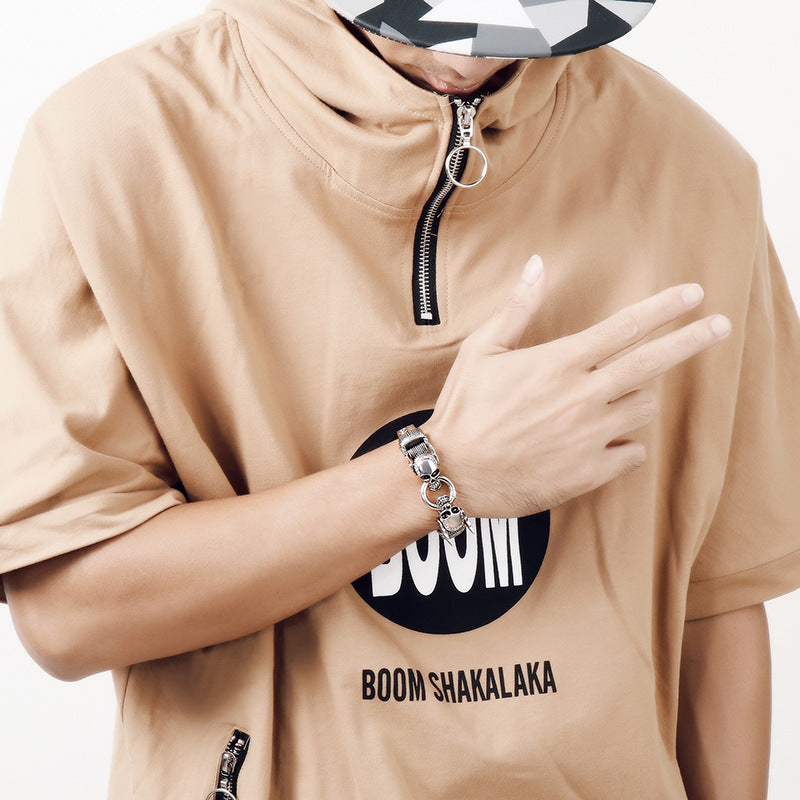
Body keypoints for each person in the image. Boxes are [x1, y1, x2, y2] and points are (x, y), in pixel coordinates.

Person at [0, 0, 798, 798]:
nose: (465, 62)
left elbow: (717, 601)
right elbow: (66, 613)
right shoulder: (116, 145)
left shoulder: (692, 169)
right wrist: (439, 473)